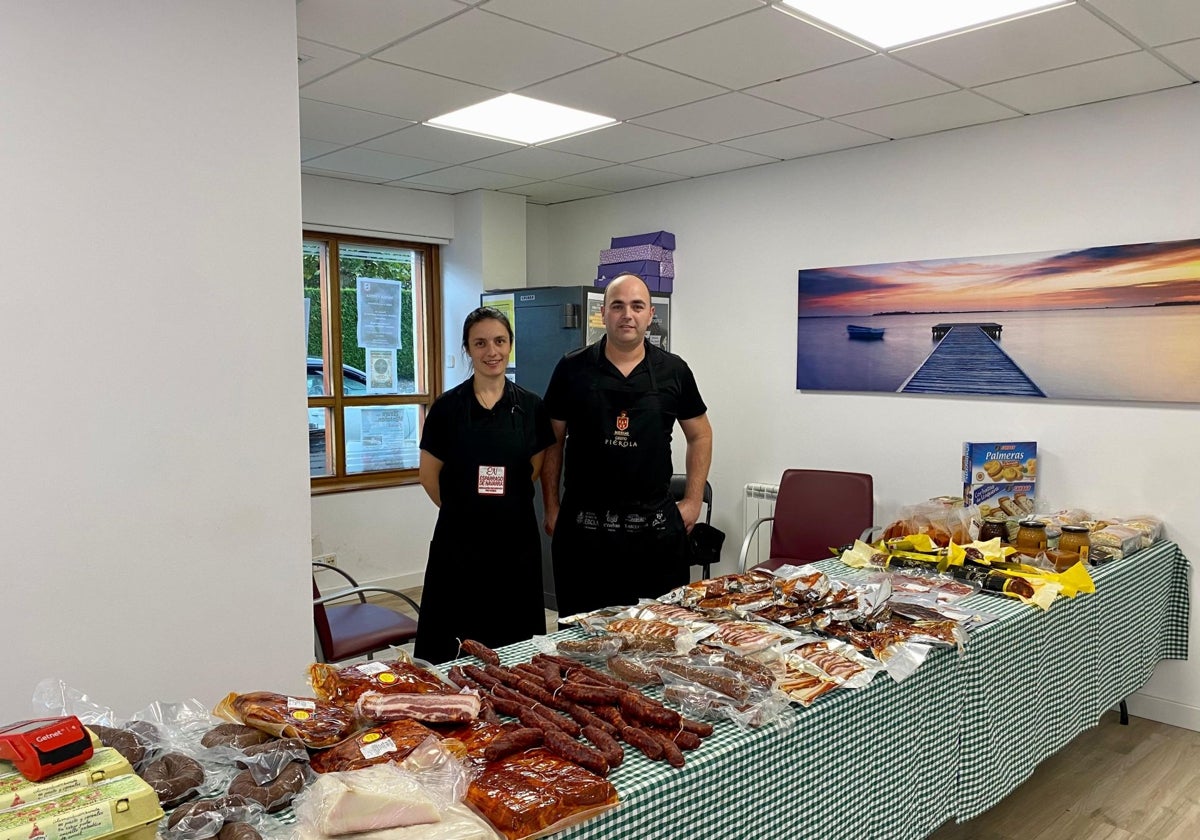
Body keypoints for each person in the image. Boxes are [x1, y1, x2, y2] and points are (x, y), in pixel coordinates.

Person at [541, 274, 713, 617]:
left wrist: (693, 500)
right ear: (603, 313)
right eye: (617, 306)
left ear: (650, 315)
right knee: (580, 644)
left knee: (657, 641)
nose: (627, 315)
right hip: (585, 534)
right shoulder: (572, 368)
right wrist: (551, 506)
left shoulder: (674, 371)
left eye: (637, 306)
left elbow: (701, 434)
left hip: (655, 535)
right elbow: (552, 441)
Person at [414, 307, 555, 663]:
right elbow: (429, 476)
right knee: (453, 646)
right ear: (468, 349)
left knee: (514, 650)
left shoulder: (530, 407)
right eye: (480, 343)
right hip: (459, 543)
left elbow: (532, 470)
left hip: (515, 544)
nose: (491, 351)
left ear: (510, 345)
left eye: (499, 341)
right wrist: (467, 510)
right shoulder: (447, 409)